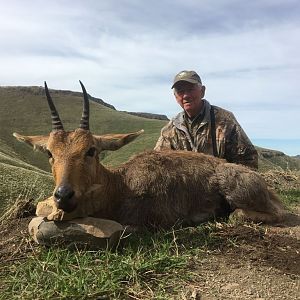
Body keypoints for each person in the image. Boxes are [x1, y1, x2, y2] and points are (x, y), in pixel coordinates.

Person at [154, 70, 258, 169]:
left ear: (202, 91)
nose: (186, 95)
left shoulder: (225, 121)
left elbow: (248, 160)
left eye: (190, 89)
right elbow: (157, 163)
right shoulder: (169, 130)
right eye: (180, 91)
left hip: (221, 185)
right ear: (176, 97)